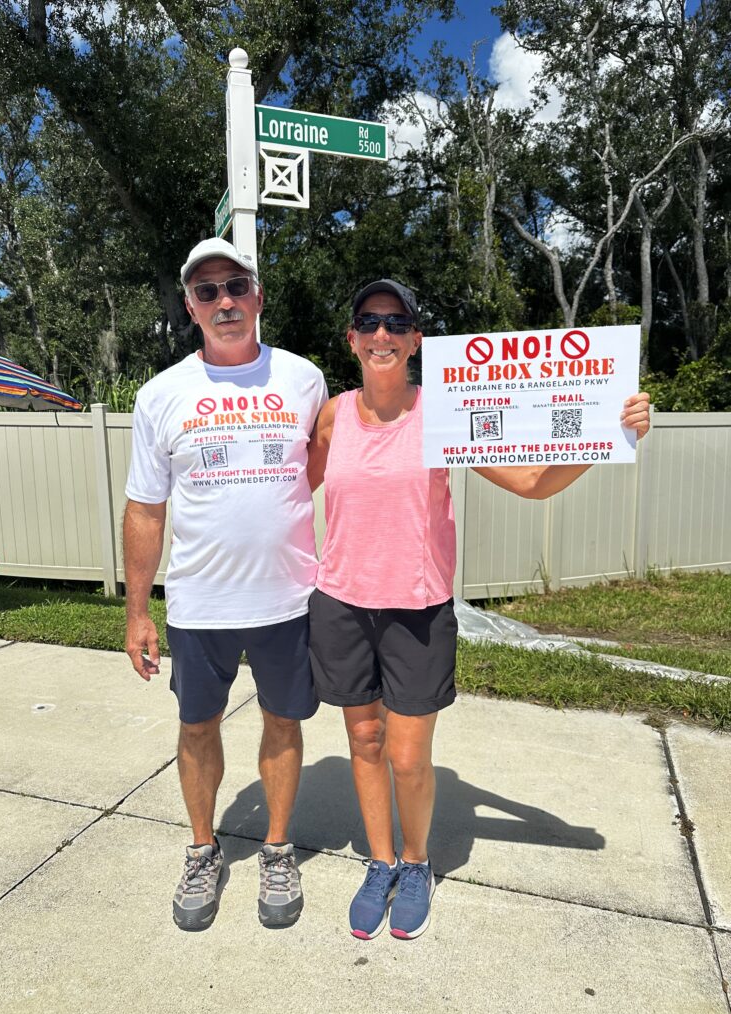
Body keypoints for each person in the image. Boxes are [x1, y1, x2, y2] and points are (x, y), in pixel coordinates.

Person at [306, 279, 650, 941]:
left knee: (407, 755)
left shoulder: (445, 412)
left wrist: (609, 433)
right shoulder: (331, 416)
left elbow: (529, 482)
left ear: (415, 340)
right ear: (351, 339)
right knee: (365, 741)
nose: (381, 334)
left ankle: (415, 863)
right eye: (368, 322)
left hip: (417, 609)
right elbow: (292, 493)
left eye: (395, 323)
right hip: (343, 603)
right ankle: (378, 862)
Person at [123, 238, 328, 933]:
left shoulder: (304, 379)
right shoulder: (161, 395)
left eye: (235, 285)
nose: (224, 301)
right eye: (206, 292)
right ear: (190, 306)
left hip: (287, 599)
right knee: (196, 724)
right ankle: (203, 850)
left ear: (258, 295)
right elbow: (146, 511)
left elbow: (317, 470)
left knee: (283, 720)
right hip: (199, 603)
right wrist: (137, 612)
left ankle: (276, 848)